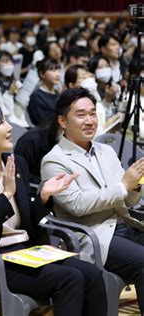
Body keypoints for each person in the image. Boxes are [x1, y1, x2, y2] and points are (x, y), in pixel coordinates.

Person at [0, 100, 107, 316]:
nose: (9, 127)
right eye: (0, 123)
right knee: (71, 279)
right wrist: (6, 195)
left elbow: (30, 223)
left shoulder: (17, 163)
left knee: (93, 274)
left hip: (28, 251)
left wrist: (43, 197)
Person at [41, 87, 144, 311]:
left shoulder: (105, 150)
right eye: (81, 115)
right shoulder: (54, 160)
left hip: (124, 224)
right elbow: (78, 205)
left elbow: (125, 200)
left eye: (93, 113)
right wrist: (123, 186)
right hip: (94, 235)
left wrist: (135, 186)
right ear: (62, 121)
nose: (89, 121)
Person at [27, 58, 61, 126]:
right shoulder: (36, 97)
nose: (57, 74)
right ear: (42, 74)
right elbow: (42, 123)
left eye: (58, 70)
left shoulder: (58, 93)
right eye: (53, 70)